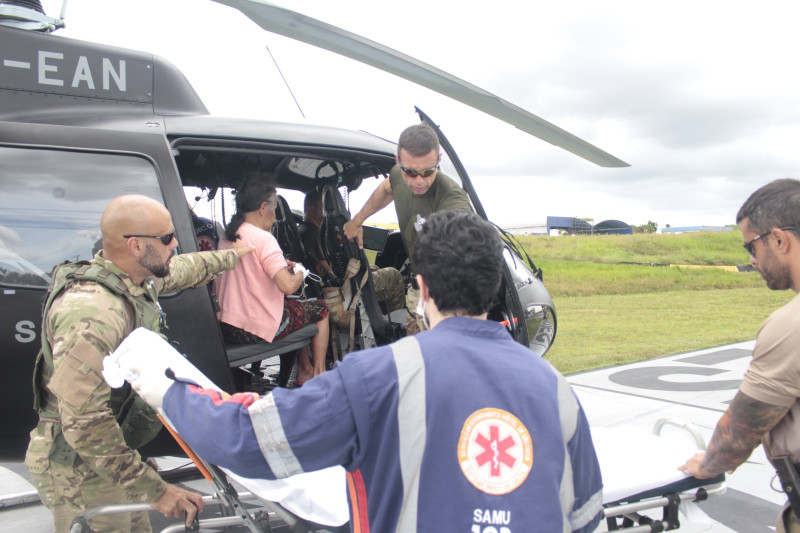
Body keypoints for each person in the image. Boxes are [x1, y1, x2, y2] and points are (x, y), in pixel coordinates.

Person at [130, 210, 604, 533]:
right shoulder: (555, 389)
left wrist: (171, 394)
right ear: (495, 284)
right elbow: (585, 516)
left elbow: (251, 441)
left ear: (420, 284)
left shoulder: (376, 378)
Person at [24, 194, 252, 533]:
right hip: (81, 470)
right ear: (135, 246)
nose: (176, 243)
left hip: (113, 456)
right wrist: (155, 490)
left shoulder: (134, 280)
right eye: (167, 238)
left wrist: (232, 257)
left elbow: (182, 269)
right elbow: (84, 425)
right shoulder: (92, 315)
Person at [679, 179, 800, 532]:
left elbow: (740, 431)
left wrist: (708, 464)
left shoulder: (790, 326)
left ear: (779, 240)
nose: (751, 258)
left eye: (753, 245)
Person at [343, 123, 472, 334]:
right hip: (417, 290)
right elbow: (387, 188)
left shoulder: (452, 198)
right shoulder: (397, 175)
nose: (419, 181)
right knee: (417, 354)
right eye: (411, 172)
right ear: (398, 161)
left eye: (428, 171)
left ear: (438, 161)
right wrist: (357, 221)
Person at [215, 177, 330, 384]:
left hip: (226, 325)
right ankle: (318, 374)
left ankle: (303, 368)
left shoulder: (227, 236)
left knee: (296, 310)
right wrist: (301, 272)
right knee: (320, 309)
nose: (275, 215)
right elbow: (287, 286)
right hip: (252, 328)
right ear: (262, 208)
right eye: (274, 208)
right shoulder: (264, 238)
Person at [300, 190, 405, 314]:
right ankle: (398, 323)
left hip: (330, 287)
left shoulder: (302, 230)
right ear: (310, 209)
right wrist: (353, 275)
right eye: (322, 208)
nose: (324, 213)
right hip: (342, 291)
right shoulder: (313, 234)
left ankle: (376, 316)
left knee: (374, 267)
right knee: (394, 275)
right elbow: (323, 270)